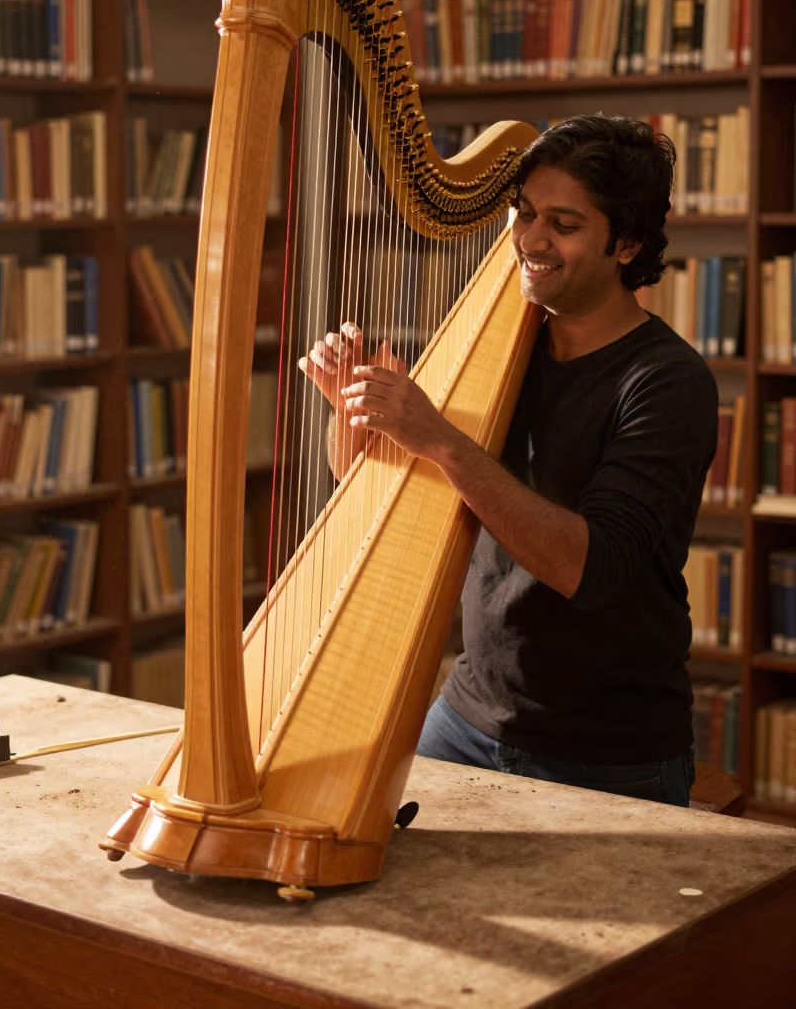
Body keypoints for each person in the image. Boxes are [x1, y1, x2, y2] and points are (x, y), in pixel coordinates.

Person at [299, 114, 718, 807]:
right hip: (465, 715)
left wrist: (438, 437)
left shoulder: (667, 382)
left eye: (564, 223)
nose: (530, 240)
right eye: (524, 214)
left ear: (629, 243)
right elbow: (385, 496)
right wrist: (355, 416)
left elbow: (583, 567)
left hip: (603, 750)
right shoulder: (505, 346)